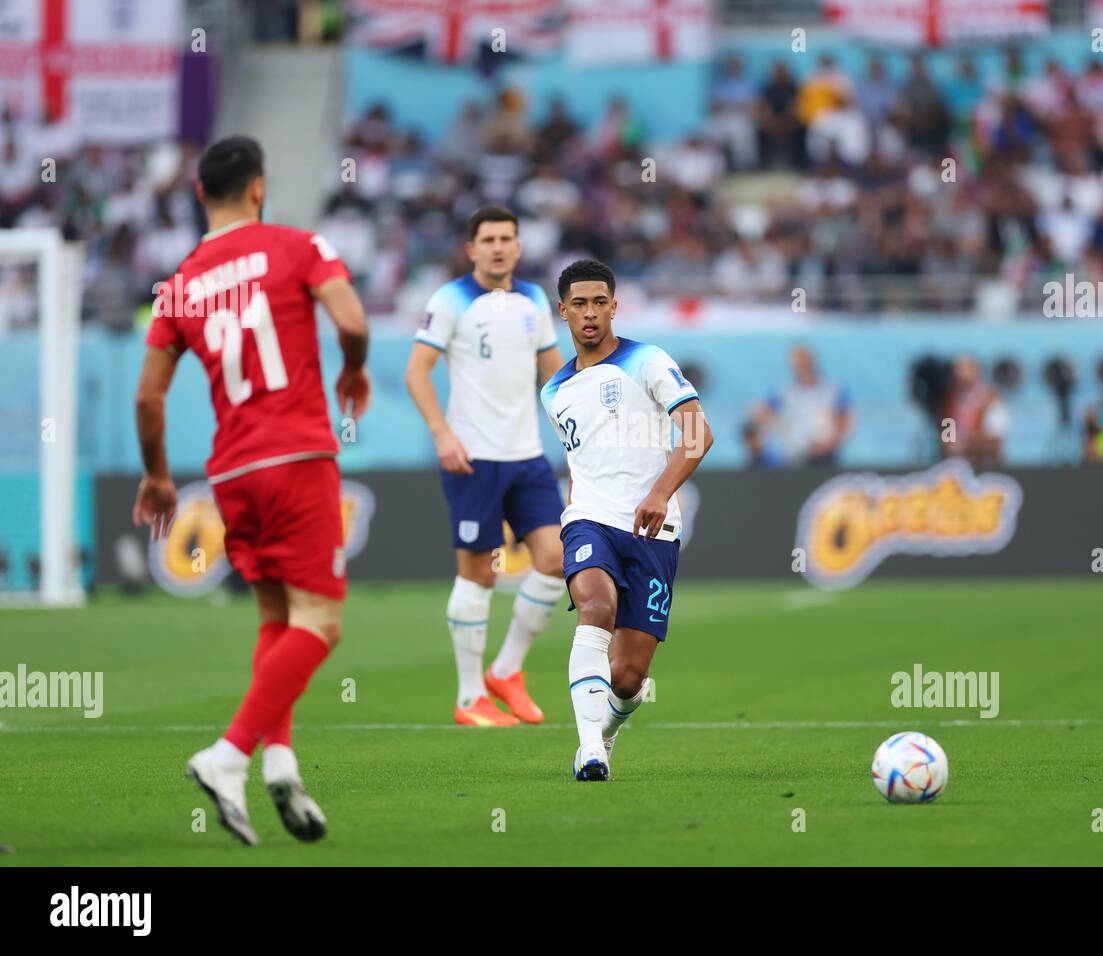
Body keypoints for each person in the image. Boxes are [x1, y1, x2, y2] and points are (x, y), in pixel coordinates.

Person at [133, 136, 371, 845]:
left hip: (230, 471)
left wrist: (156, 474)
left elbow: (149, 400)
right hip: (296, 455)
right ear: (259, 189)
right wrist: (353, 369)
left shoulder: (178, 285)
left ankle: (279, 766)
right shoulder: (299, 245)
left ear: (202, 195)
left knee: (278, 618)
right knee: (322, 623)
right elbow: (353, 321)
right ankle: (228, 754)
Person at [540, 260, 713, 780]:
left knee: (629, 675)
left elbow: (697, 434)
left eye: (599, 303)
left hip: (653, 530)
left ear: (614, 306)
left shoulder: (649, 360)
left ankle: (608, 731)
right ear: (563, 310)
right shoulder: (553, 392)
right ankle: (589, 748)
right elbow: (580, 462)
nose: (590, 313)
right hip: (589, 519)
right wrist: (574, 520)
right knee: (595, 606)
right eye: (579, 304)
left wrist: (661, 492)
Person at [405, 205, 568, 727]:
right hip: (473, 458)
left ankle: (507, 670)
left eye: (507, 238)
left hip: (527, 457)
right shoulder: (450, 300)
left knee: (556, 560)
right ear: (471, 248)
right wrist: (442, 435)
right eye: (488, 239)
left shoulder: (534, 299)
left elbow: (554, 373)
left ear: (519, 247)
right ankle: (470, 696)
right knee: (478, 572)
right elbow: (417, 372)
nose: (498, 247)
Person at [751, 345, 852, 467]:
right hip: (795, 456)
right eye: (798, 362)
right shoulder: (784, 391)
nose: (802, 366)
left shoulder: (832, 389)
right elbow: (761, 412)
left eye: (805, 361)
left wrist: (831, 443)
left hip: (826, 455)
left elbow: (844, 419)